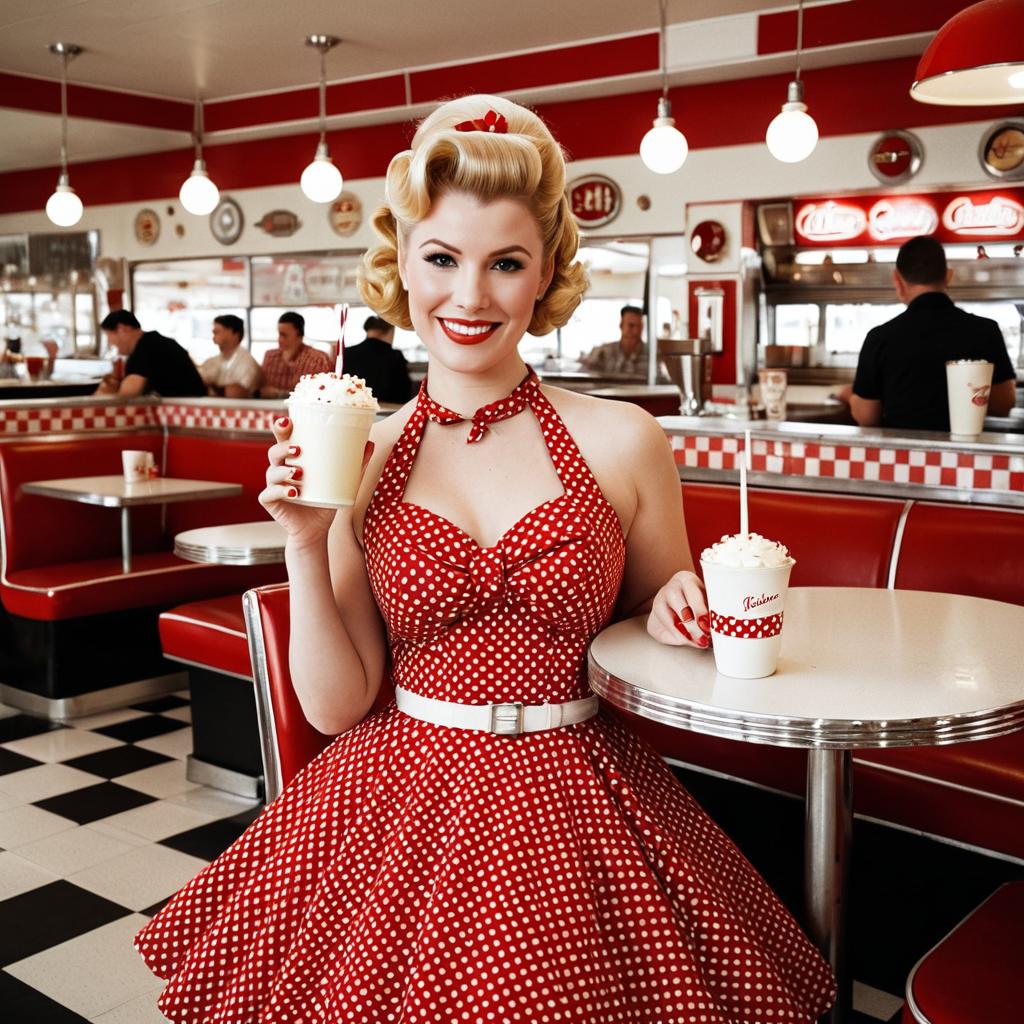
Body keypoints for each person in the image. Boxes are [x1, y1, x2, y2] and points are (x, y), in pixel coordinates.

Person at [134, 94, 835, 1022]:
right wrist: (305, 541)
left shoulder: (625, 440)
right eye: (442, 259)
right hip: (396, 798)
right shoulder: (365, 451)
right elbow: (340, 706)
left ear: (545, 273)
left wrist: (676, 611)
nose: (470, 296)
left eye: (505, 263)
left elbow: (656, 620)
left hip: (581, 794)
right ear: (401, 266)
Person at [840, 235, 1016, 430]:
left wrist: (847, 395)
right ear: (948, 276)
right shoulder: (985, 331)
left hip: (900, 457)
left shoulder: (880, 338)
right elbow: (1004, 404)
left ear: (897, 279)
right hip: (965, 457)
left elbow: (867, 417)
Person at [94, 309, 205, 397]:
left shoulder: (146, 347)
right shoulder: (152, 342)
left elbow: (127, 396)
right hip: (188, 410)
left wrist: (107, 392)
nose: (109, 341)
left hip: (189, 413)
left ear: (121, 329)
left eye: (108, 335)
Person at [259, 311, 332, 398]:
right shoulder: (270, 357)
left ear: (300, 335)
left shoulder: (318, 359)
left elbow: (325, 393)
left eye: (284, 335)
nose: (280, 339)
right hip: (271, 410)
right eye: (279, 334)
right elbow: (261, 388)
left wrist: (280, 394)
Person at [342, 314, 413, 404]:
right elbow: (404, 392)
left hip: (353, 407)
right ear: (391, 331)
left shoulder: (347, 353)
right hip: (389, 410)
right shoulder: (395, 356)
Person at [198, 314, 263, 398]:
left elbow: (238, 392)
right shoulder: (211, 361)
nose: (213, 335)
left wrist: (210, 388)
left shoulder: (247, 362)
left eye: (217, 332)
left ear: (234, 333)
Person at [580, 304, 648, 374]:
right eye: (631, 325)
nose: (636, 331)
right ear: (621, 325)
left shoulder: (652, 354)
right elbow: (582, 376)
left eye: (640, 326)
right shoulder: (603, 352)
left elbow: (658, 380)